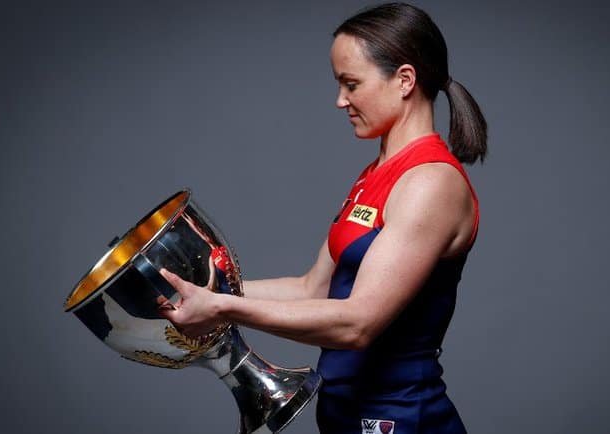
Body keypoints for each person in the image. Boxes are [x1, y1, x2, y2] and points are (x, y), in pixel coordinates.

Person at [157, 3, 487, 433]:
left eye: (351, 84)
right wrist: (201, 289)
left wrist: (222, 307)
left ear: (405, 80)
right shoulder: (375, 175)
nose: (340, 100)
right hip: (344, 416)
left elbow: (358, 323)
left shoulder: (430, 182)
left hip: (400, 419)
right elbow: (311, 287)